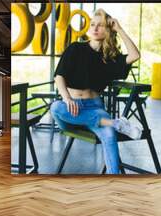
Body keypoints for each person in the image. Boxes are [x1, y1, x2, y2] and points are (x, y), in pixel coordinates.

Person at [50, 8, 141, 174]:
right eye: (92, 24)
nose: (95, 28)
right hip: (71, 110)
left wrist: (119, 29)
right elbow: (59, 76)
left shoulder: (110, 57)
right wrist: (67, 99)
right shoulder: (75, 49)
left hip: (95, 108)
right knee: (56, 108)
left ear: (108, 30)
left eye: (100, 25)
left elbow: (134, 55)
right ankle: (116, 123)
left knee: (109, 135)